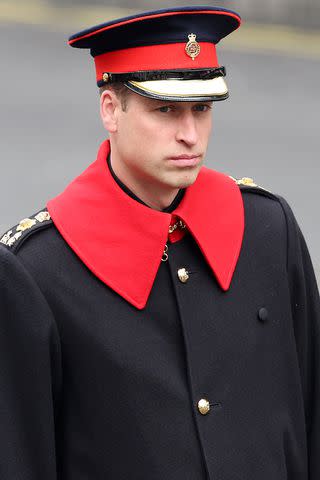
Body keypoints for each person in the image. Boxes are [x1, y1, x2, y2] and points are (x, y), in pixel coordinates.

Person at [0, 5, 319, 480]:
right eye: (165, 109)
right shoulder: (36, 272)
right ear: (111, 109)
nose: (190, 135)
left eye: (202, 109)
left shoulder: (269, 229)